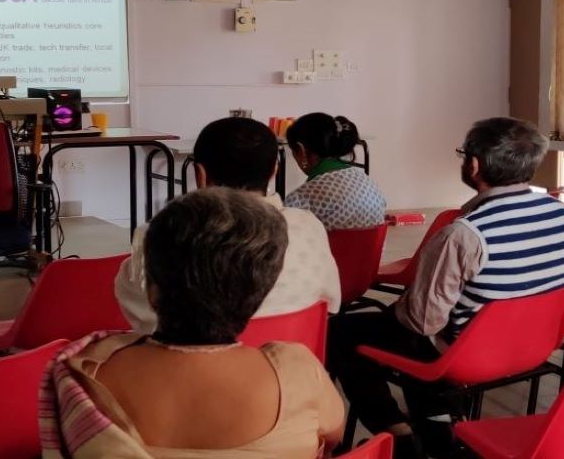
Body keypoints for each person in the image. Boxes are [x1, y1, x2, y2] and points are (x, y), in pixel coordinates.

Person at [328, 117, 564, 457]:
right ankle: (437, 422)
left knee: (341, 332)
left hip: (469, 354)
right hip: (535, 344)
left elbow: (423, 323)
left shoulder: (465, 234)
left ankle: (399, 433)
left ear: (474, 165)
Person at [43, 188, 345, 458]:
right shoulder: (299, 372)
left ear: (151, 289)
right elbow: (333, 436)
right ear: (259, 295)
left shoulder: (84, 374)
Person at [115, 117, 340, 334]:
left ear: (200, 175)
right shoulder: (308, 226)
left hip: (194, 370)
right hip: (291, 367)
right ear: (274, 171)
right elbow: (332, 304)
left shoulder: (158, 237)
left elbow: (143, 319)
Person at [284, 113, 386, 229]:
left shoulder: (300, 199)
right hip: (369, 247)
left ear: (301, 150)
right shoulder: (370, 185)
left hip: (327, 248)